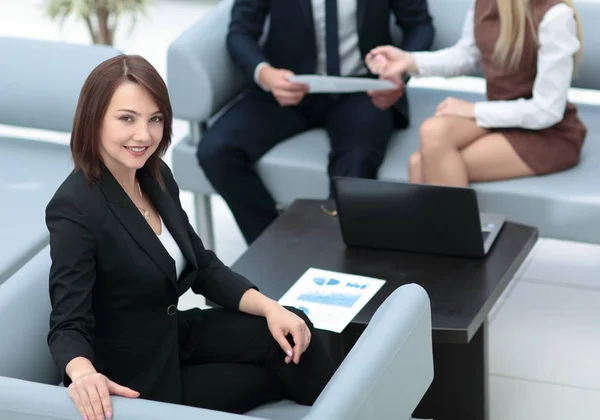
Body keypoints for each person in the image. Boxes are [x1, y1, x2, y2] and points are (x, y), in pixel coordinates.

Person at [46, 54, 335, 420]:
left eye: (155, 119)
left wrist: (270, 307)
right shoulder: (75, 207)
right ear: (94, 120)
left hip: (176, 335)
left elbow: (204, 266)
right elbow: (67, 322)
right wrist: (83, 373)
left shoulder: (155, 176)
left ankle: (350, 408)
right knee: (275, 371)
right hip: (139, 378)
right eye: (126, 119)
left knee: (294, 327)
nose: (144, 135)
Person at [196, 0, 435, 244]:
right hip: (288, 85)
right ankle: (274, 246)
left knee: (357, 159)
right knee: (215, 151)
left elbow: (420, 25)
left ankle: (333, 255)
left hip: (362, 89)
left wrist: (400, 72)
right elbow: (240, 33)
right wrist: (265, 74)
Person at [366, 0, 587, 187]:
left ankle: (450, 238)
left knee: (419, 165)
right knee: (433, 130)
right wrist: (409, 60)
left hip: (549, 133)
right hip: (501, 118)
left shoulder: (556, 15)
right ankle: (440, 237)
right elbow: (466, 55)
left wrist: (473, 110)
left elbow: (547, 110)